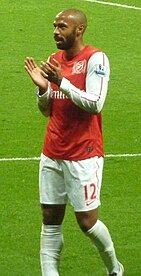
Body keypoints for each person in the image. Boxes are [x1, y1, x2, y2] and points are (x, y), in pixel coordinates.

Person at [24, 9, 124, 276]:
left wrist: (61, 82)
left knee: (87, 223)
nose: (56, 31)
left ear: (79, 30)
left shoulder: (95, 59)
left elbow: (95, 103)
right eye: (55, 26)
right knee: (49, 220)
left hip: (84, 154)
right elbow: (47, 111)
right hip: (52, 152)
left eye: (63, 27)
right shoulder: (54, 60)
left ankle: (115, 268)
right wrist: (43, 89)